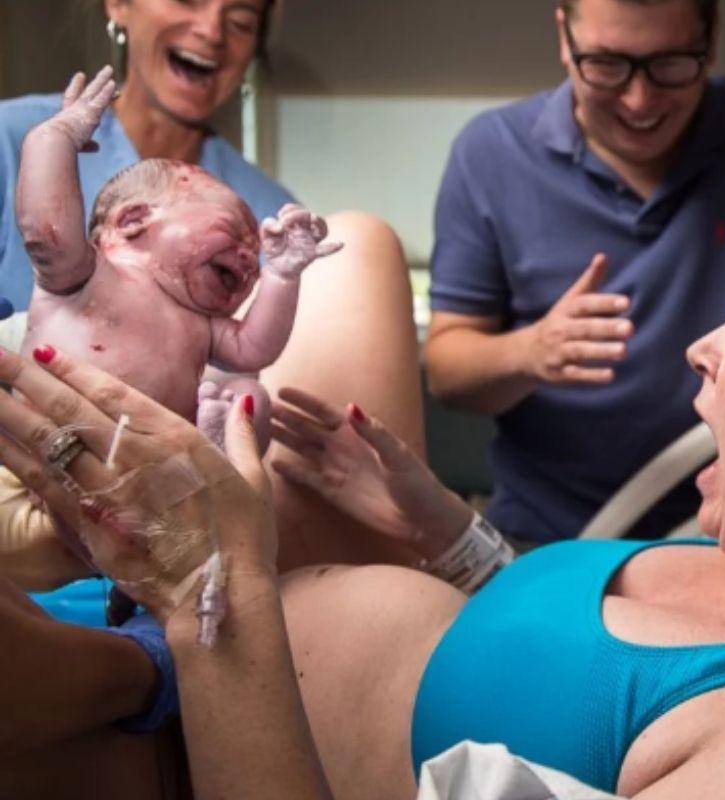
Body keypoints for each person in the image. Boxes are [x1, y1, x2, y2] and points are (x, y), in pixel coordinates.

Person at [0, 188, 725, 799]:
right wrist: (447, 533)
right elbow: (579, 674)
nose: (703, 346)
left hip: (168, 733)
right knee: (359, 248)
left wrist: (219, 587)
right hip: (195, 625)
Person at [0, 0, 425, 623]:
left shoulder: (256, 217)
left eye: (242, 19)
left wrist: (281, 273)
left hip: (169, 506)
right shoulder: (45, 181)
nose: (212, 30)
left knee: (246, 399)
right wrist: (58, 139)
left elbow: (255, 348)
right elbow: (46, 229)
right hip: (27, 481)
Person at [425, 0, 725, 544]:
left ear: (711, 39)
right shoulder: (490, 155)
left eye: (670, 64)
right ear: (565, 39)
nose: (639, 100)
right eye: (606, 64)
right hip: (551, 532)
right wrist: (531, 352)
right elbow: (446, 370)